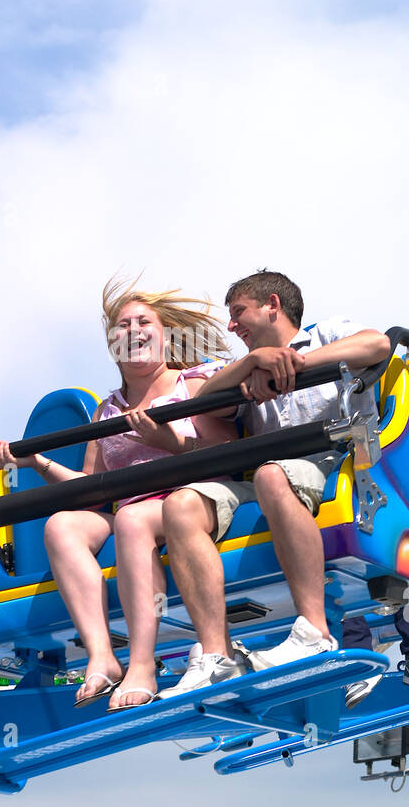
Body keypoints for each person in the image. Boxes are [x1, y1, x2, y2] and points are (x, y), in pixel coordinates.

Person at [0, 278, 236, 709]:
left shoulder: (192, 385)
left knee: (132, 519)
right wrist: (35, 462)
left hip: (192, 498)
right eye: (122, 326)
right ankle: (102, 655)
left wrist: (167, 441)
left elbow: (226, 451)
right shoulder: (107, 411)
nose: (132, 330)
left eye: (143, 322)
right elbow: (89, 490)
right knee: (62, 525)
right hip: (133, 507)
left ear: (166, 335)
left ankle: (142, 664)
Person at [160, 270, 390, 695]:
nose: (232, 325)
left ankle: (315, 633)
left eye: (238, 312)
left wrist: (293, 364)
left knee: (271, 473)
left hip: (337, 469)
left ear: (272, 305)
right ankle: (217, 656)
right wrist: (253, 364)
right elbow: (201, 401)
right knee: (180, 505)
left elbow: (378, 344)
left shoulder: (326, 334)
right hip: (273, 480)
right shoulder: (244, 369)